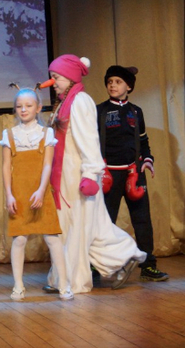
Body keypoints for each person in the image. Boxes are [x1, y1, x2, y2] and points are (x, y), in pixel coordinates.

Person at [45, 55, 145, 294]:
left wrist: (91, 173)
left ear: (70, 77)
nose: (53, 82)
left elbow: (89, 139)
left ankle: (71, 279)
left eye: (56, 77)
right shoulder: (64, 102)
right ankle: (124, 255)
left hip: (78, 174)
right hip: (66, 175)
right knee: (89, 227)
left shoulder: (80, 101)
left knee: (80, 228)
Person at [97, 65, 168, 282]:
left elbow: (143, 141)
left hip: (134, 173)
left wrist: (147, 160)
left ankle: (148, 266)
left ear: (128, 86)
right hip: (109, 175)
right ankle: (97, 266)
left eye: (118, 82)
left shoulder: (136, 111)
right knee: (104, 222)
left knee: (142, 220)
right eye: (110, 82)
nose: (112, 85)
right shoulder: (99, 110)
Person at [0, 87, 72, 301]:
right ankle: (18, 285)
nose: (23, 110)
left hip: (40, 192)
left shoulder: (46, 133)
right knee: (19, 239)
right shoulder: (9, 135)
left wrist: (41, 191)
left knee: (52, 238)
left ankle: (64, 284)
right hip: (19, 194)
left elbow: (48, 164)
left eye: (28, 106)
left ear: (38, 108)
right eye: (19, 106)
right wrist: (9, 194)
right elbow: (6, 166)